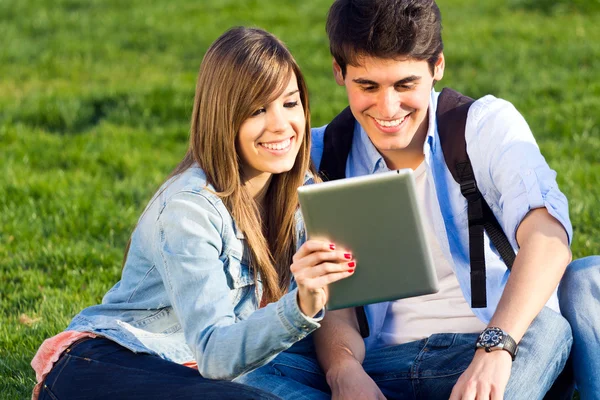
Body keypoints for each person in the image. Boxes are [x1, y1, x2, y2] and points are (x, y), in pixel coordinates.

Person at [238, 1, 600, 399]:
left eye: (405, 84)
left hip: (496, 352)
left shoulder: (484, 127)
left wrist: (495, 348)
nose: (388, 108)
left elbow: (548, 243)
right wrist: (344, 371)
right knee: (242, 366)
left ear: (437, 67)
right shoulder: (324, 155)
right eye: (368, 86)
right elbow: (331, 299)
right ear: (339, 73)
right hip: (381, 367)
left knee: (549, 329)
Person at [30, 26, 357, 400]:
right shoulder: (188, 209)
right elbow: (216, 354)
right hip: (110, 364)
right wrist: (302, 304)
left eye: (290, 103)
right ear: (222, 118)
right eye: (256, 110)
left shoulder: (304, 194)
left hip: (215, 375)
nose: (281, 124)